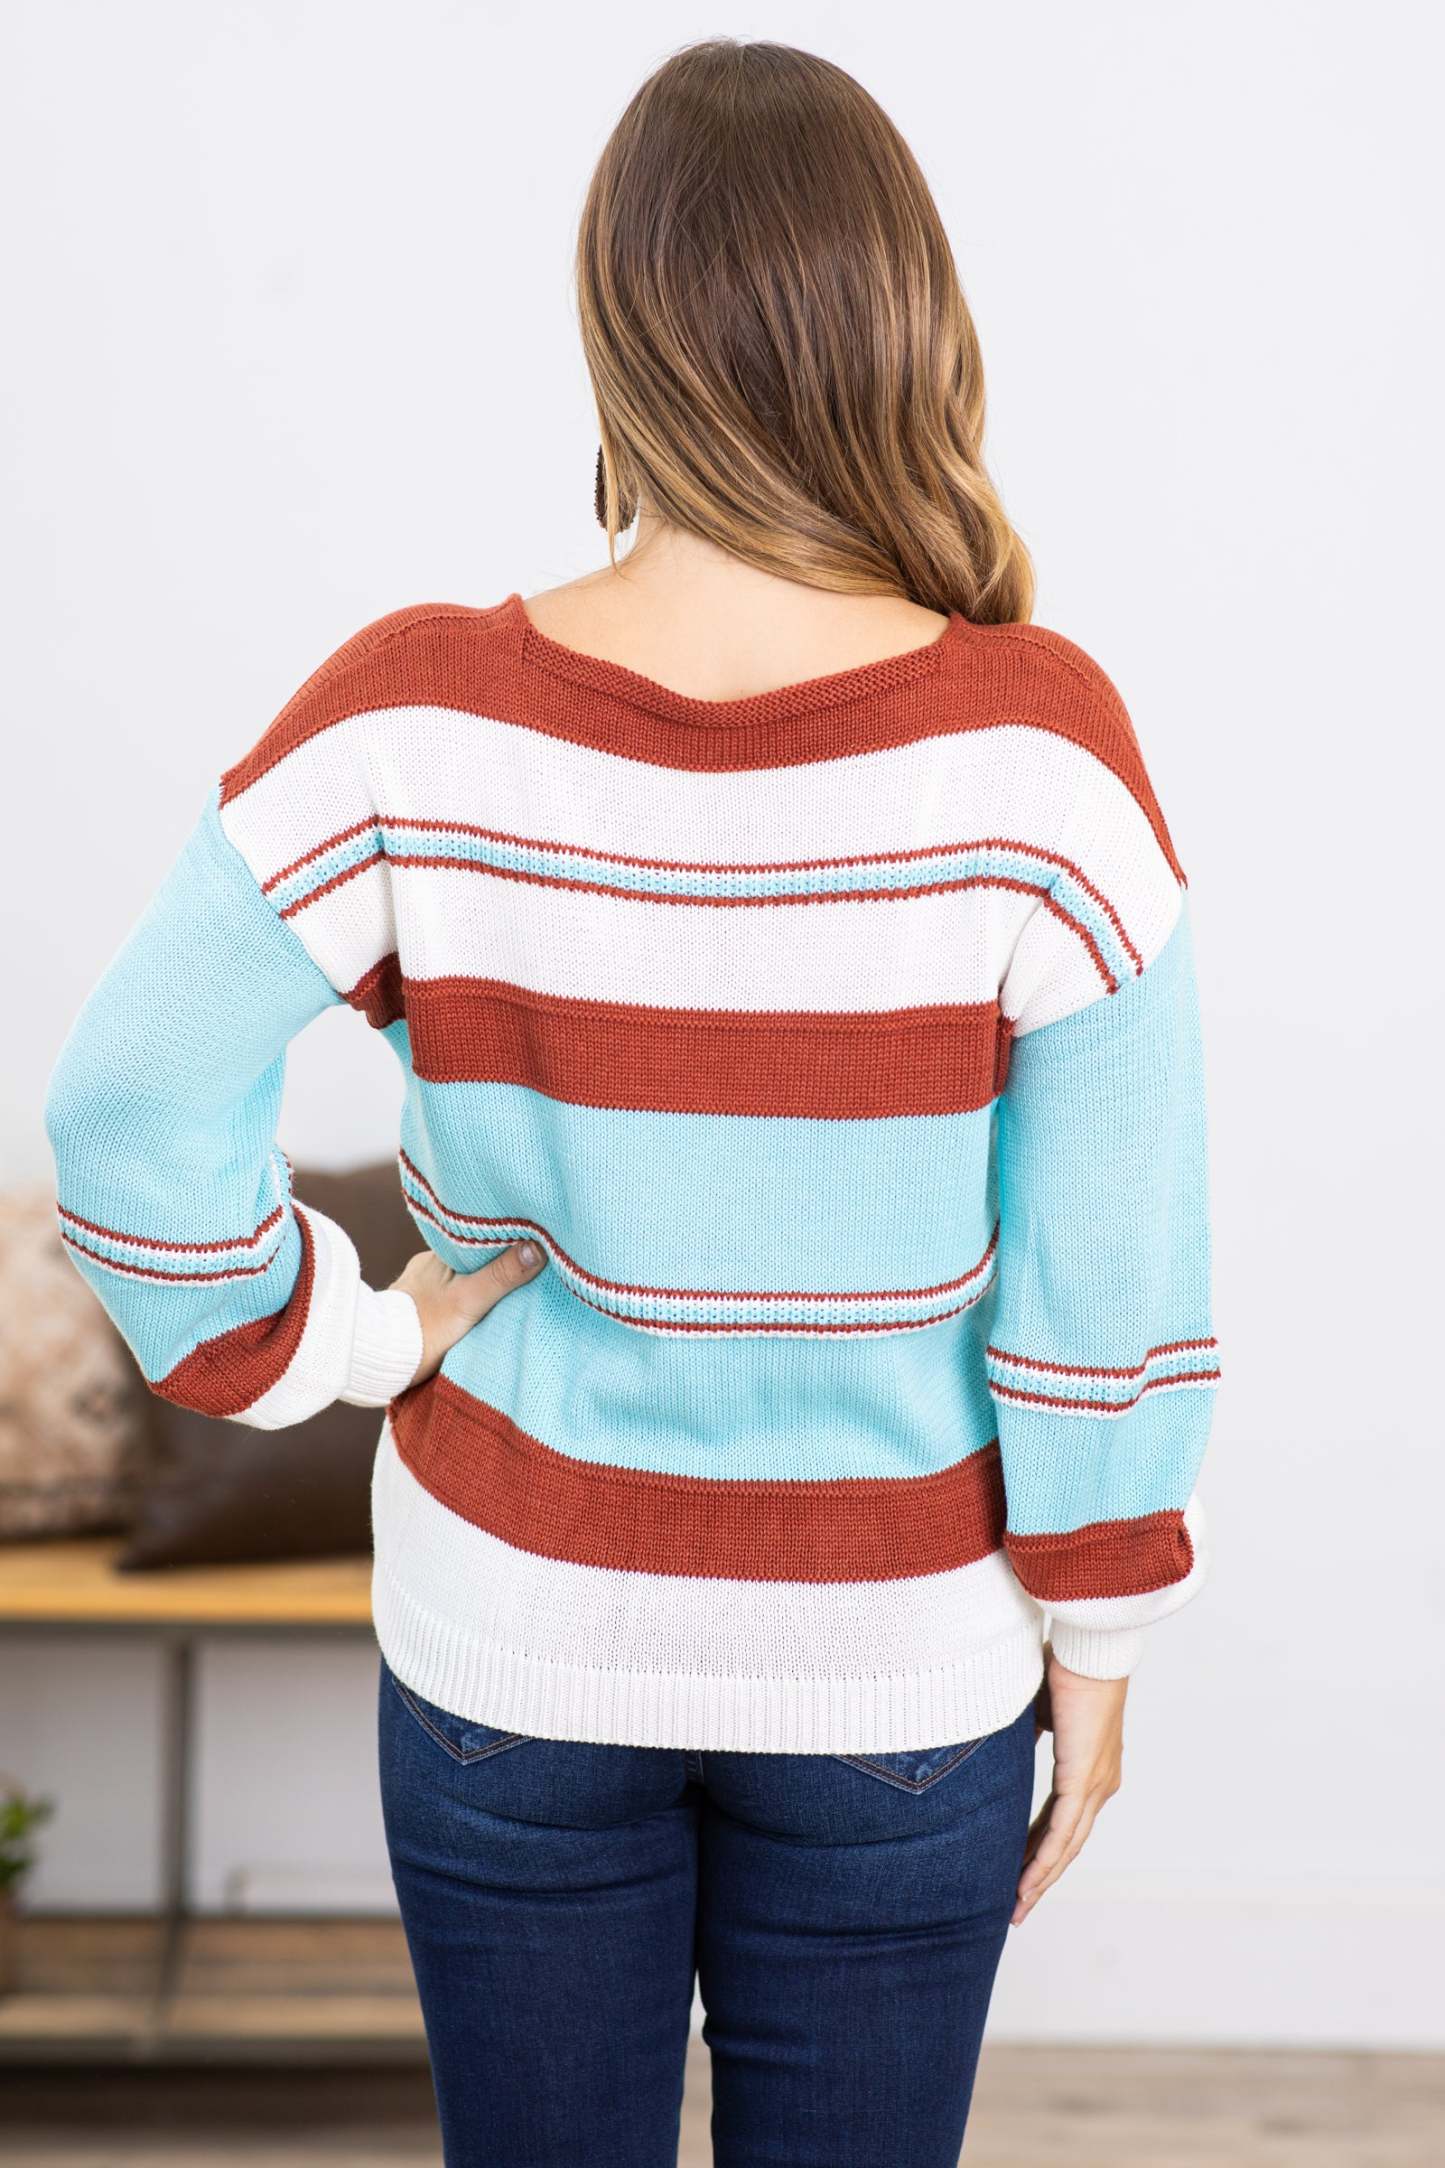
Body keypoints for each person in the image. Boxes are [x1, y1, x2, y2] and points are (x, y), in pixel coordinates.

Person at [44, 37, 1219, 2168]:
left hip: (515, 1649)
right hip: (895, 1678)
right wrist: (1102, 1629)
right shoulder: (1041, 753)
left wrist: (345, 1345)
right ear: (905, 321)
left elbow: (124, 1110)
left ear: (618, 334)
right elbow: (1104, 1276)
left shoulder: (414, 718)